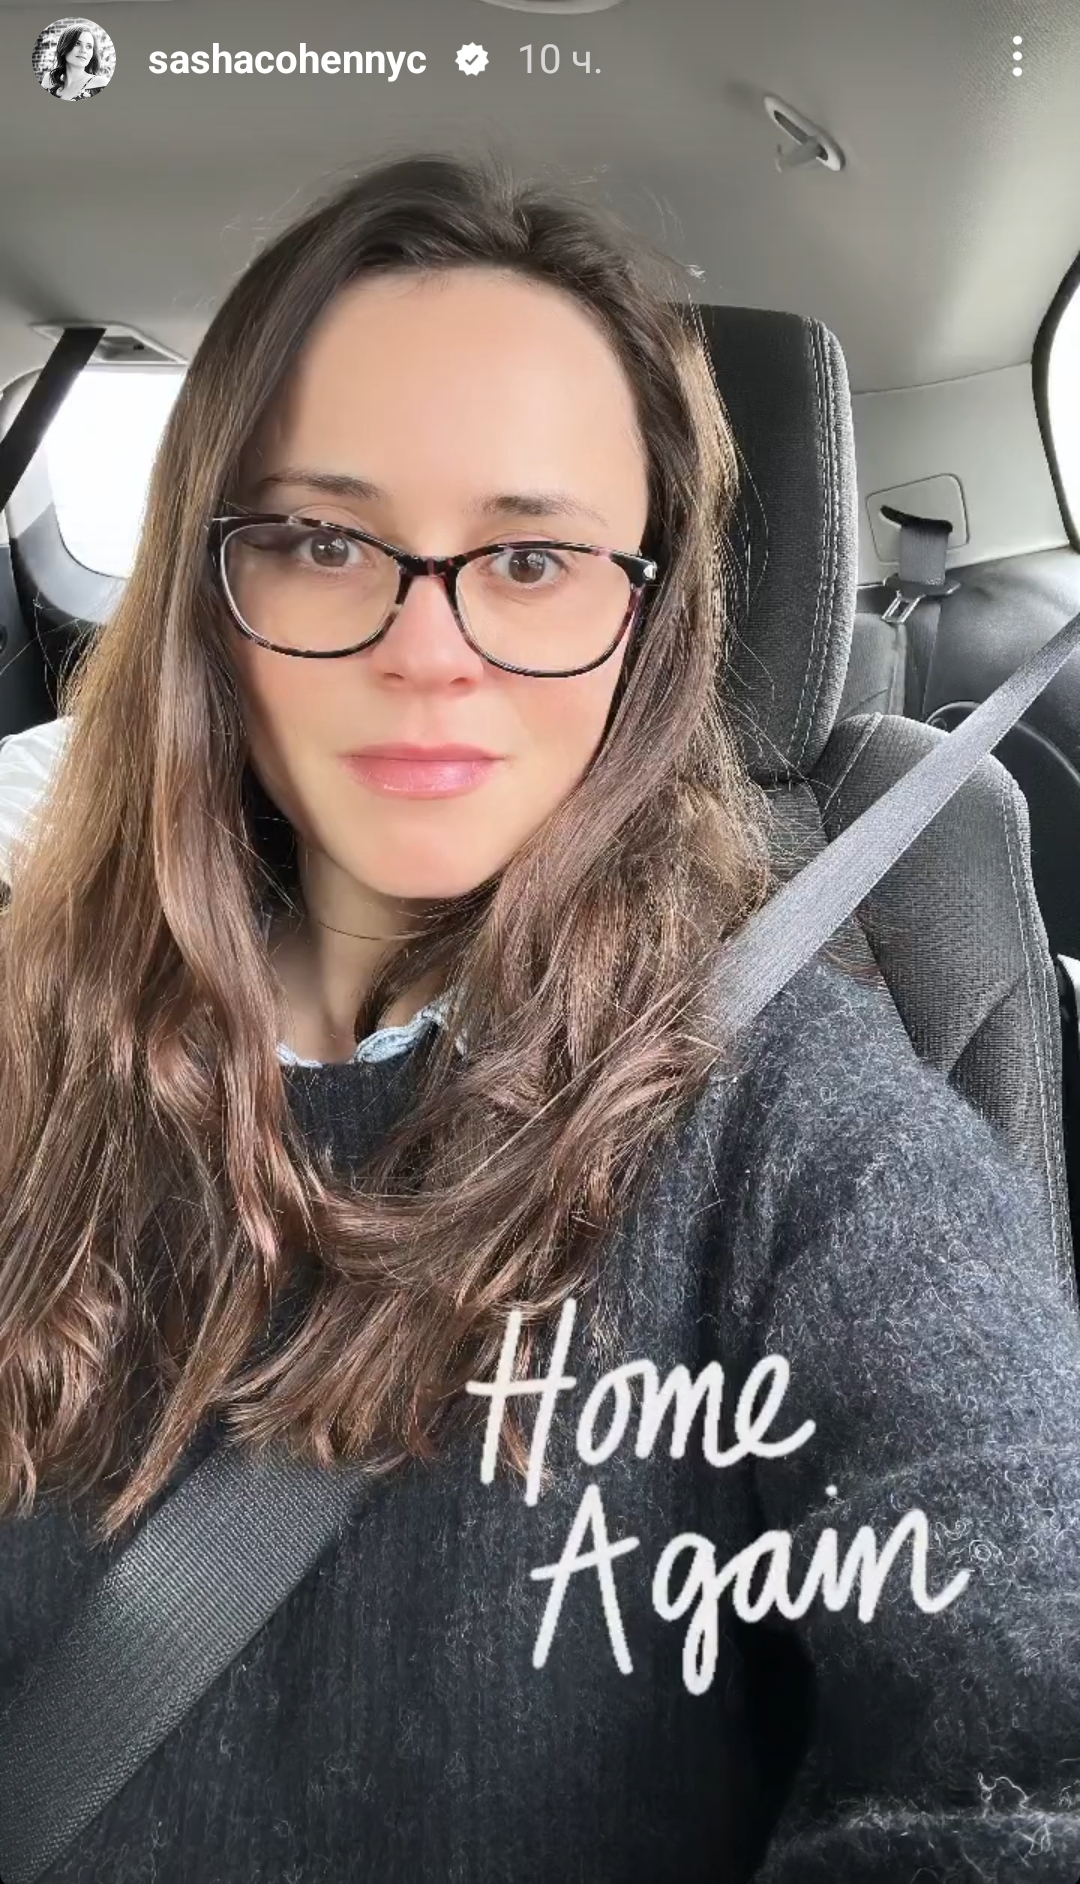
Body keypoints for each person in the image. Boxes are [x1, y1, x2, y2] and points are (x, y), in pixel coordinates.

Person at [1, 150, 1080, 1884]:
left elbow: (1029, 1753)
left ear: (649, 617)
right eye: (324, 539)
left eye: (531, 558)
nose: (429, 650)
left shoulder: (805, 1139)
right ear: (212, 590)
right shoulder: (30, 1047)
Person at [44, 23, 109, 101]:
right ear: (64, 46)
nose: (84, 50)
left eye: (89, 46)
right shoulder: (49, 79)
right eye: (77, 43)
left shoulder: (101, 84)